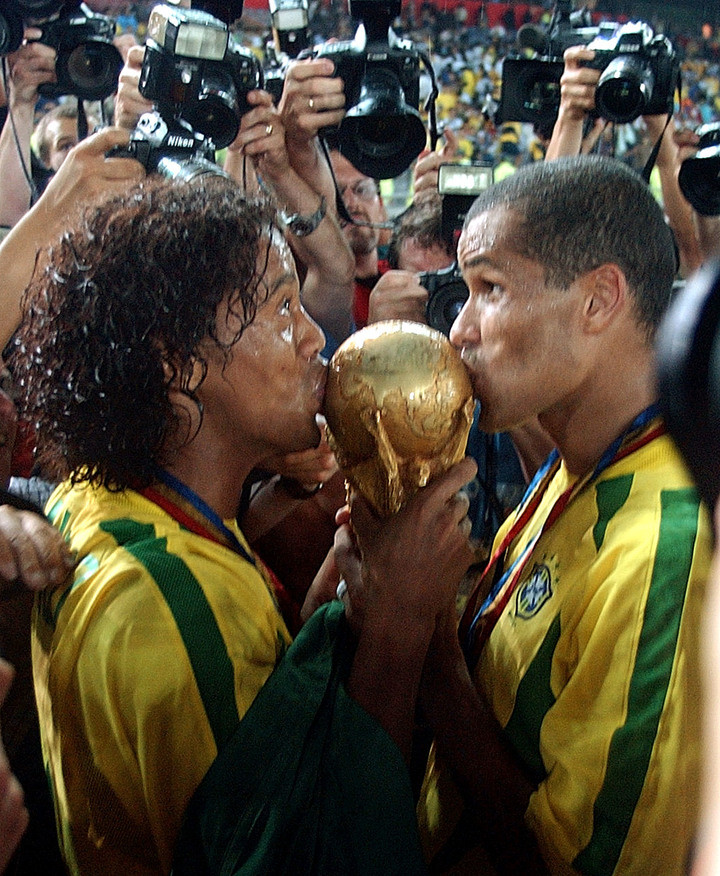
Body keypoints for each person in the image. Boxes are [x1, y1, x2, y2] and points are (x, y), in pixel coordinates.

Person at [10, 173, 476, 876]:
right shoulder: (161, 607)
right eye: (280, 307)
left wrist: (355, 579)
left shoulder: (114, 501)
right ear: (178, 361)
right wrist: (399, 631)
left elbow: (271, 724)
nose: (314, 337)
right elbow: (295, 859)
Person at [338, 155, 710, 874]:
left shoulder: (669, 548)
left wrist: (431, 650)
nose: (460, 332)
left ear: (599, 300)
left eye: (490, 289)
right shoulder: (577, 465)